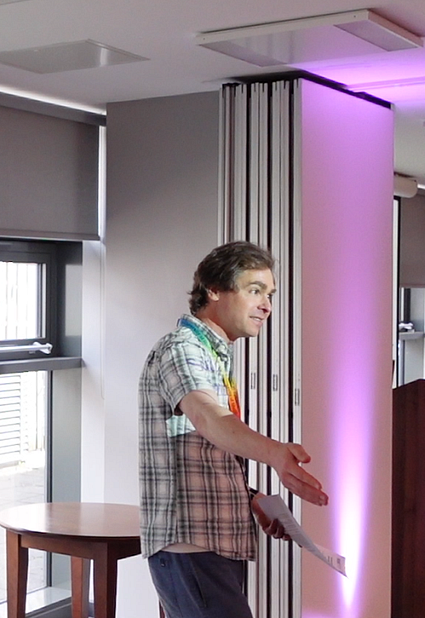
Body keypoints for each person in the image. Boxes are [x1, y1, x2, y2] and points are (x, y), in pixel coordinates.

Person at [138, 241, 328, 618]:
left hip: (212, 544)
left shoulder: (212, 355)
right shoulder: (183, 349)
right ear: (214, 289)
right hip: (192, 546)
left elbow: (200, 446)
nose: (266, 305)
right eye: (255, 290)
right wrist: (276, 453)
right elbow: (209, 419)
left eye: (269, 294)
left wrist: (251, 499)